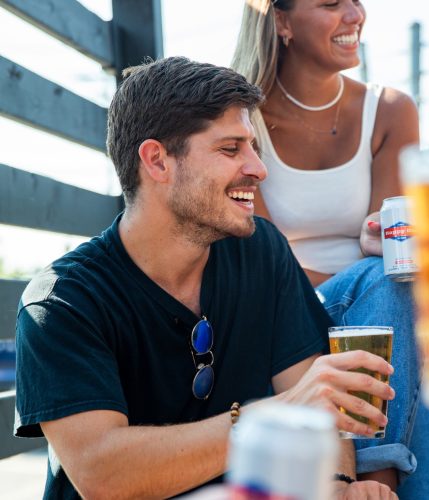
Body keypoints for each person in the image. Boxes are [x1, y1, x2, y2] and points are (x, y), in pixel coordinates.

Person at [14, 56, 400, 499]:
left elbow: (317, 402)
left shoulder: (261, 250)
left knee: (387, 279)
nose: (258, 168)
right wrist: (274, 416)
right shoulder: (62, 302)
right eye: (231, 149)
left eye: (253, 147)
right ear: (157, 161)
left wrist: (338, 484)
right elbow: (103, 476)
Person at [231, 0, 429, 497]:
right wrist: (370, 271)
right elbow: (265, 260)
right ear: (281, 21)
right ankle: (377, 476)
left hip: (383, 310)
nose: (355, 14)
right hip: (285, 311)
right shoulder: (238, 118)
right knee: (386, 292)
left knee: (394, 289)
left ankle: (372, 476)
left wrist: (380, 242)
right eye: (332, 3)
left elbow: (394, 248)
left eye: (357, 1)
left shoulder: (391, 110)